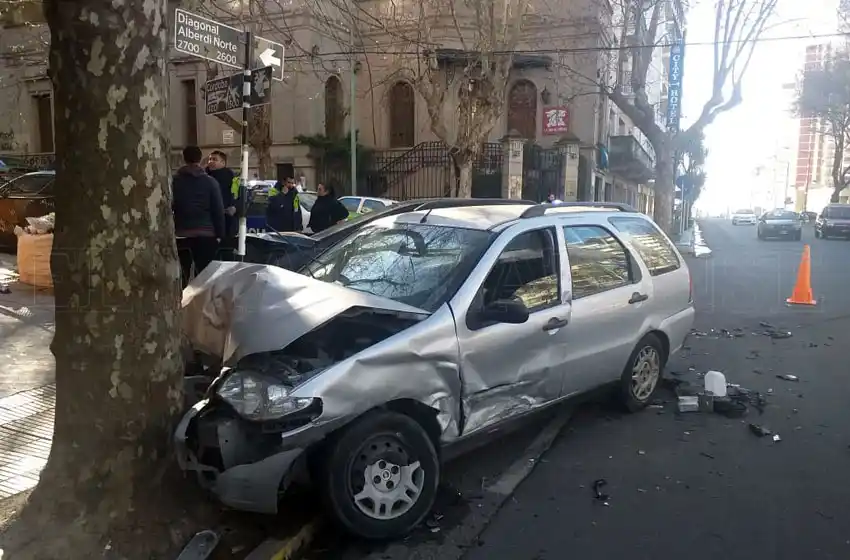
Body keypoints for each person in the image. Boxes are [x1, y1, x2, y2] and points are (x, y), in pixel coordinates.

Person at [173, 145, 225, 288]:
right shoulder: (210, 182)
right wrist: (220, 234)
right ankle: (200, 305)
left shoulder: (175, 181)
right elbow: (218, 209)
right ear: (200, 158)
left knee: (181, 274)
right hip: (206, 233)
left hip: (181, 233)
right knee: (204, 275)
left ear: (184, 158)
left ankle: (181, 303)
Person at [205, 150, 237, 259]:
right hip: (208, 222)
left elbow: (237, 196)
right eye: (210, 159)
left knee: (226, 253)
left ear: (223, 163)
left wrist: (233, 207)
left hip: (227, 221)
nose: (211, 162)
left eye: (214, 159)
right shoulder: (203, 177)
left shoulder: (232, 178)